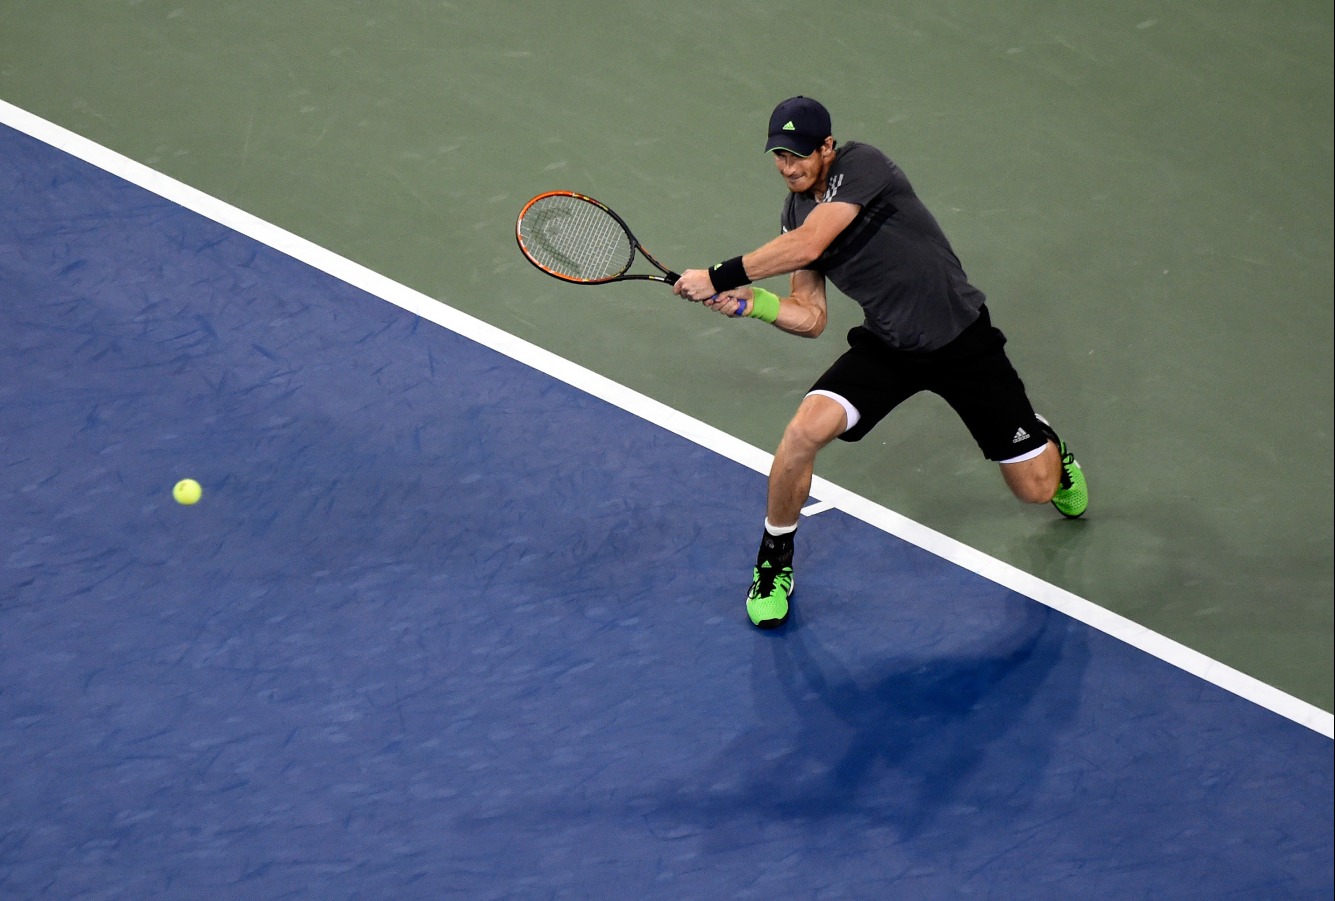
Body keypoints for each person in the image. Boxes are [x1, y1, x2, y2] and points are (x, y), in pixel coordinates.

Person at [673, 96, 1088, 629]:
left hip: (962, 341)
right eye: (779, 155)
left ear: (828, 147)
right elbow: (811, 316)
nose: (788, 166)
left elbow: (809, 245)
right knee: (802, 433)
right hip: (890, 347)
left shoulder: (863, 165)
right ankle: (774, 560)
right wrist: (754, 304)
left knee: (1037, 490)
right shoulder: (793, 212)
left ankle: (1047, 442)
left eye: (799, 154)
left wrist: (720, 274)